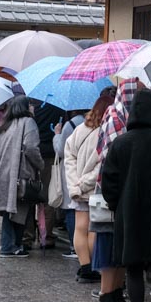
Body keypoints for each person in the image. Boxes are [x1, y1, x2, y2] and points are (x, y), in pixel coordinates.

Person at [101, 90, 151, 302]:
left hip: (128, 213)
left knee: (133, 268)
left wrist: (115, 203)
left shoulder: (121, 142)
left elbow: (109, 181)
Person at [92, 80, 140, 302]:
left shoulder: (122, 117)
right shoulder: (117, 120)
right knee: (109, 246)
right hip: (110, 195)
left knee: (117, 247)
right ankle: (106, 297)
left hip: (115, 194)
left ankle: (116, 293)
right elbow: (112, 160)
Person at [0, 97, 43, 258]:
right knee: (18, 208)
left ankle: (12, 245)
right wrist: (40, 164)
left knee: (12, 209)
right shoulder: (28, 122)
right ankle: (9, 246)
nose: (32, 107)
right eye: (30, 104)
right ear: (25, 107)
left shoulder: (7, 123)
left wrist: (1, 151)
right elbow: (31, 148)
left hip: (4, 172)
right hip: (21, 173)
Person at [65, 89, 113, 284]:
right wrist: (84, 184)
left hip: (77, 188)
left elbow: (69, 157)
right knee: (94, 229)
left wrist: (74, 184)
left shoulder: (80, 129)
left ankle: (84, 267)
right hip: (94, 189)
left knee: (80, 227)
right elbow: (102, 165)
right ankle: (94, 267)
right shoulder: (107, 132)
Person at [25, 100, 66, 251]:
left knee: (29, 194)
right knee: (49, 196)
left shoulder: (32, 108)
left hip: (32, 155)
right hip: (50, 155)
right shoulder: (58, 107)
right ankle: (46, 236)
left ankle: (27, 236)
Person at [52, 109, 87, 258]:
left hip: (70, 170)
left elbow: (60, 151)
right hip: (85, 168)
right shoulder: (90, 123)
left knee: (71, 208)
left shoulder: (70, 124)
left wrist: (57, 135)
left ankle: (74, 247)